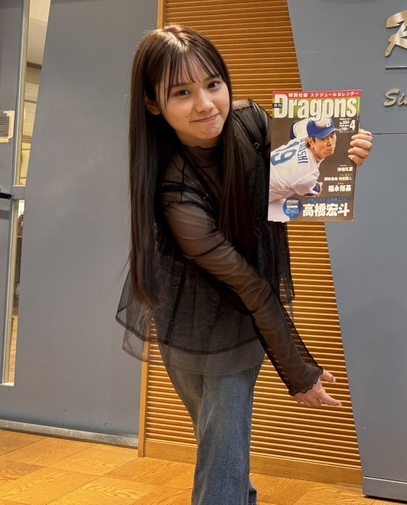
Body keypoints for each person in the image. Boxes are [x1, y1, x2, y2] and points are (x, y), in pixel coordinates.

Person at [116, 25, 373, 505]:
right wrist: (299, 372)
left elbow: (298, 173)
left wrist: (344, 158)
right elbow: (250, 285)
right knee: (221, 447)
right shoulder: (174, 191)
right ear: (153, 104)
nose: (205, 104)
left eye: (213, 84)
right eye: (181, 92)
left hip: (242, 314)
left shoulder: (251, 121)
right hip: (195, 325)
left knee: (222, 448)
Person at [268, 116, 341, 221]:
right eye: (323, 138)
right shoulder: (307, 175)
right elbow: (313, 190)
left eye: (332, 135)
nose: (330, 142)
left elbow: (294, 127)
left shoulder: (306, 132)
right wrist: (318, 187)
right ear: (311, 142)